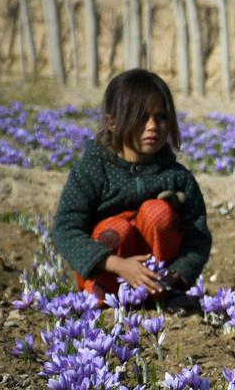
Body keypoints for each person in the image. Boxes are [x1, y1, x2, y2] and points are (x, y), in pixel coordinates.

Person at [52, 69, 211, 305]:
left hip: (158, 281)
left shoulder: (177, 177)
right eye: (141, 117)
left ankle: (157, 295)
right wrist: (119, 265)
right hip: (107, 273)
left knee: (158, 212)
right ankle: (102, 295)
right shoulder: (93, 169)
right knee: (116, 228)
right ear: (112, 122)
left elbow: (198, 239)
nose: (153, 126)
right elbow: (66, 230)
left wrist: (175, 274)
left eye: (161, 117)